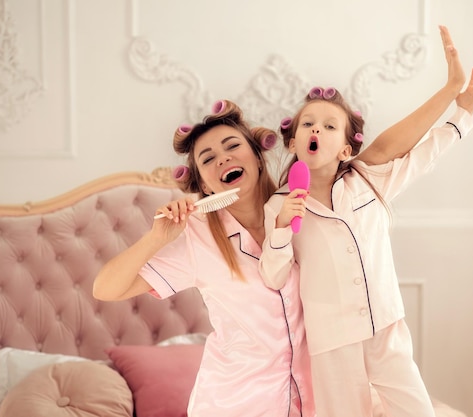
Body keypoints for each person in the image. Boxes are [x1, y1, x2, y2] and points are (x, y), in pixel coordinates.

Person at [258, 27, 473, 417]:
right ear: (294, 142)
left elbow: (422, 155)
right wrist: (281, 229)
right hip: (332, 340)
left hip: (386, 325)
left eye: (330, 126)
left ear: (346, 148)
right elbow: (272, 276)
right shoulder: (278, 205)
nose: (317, 129)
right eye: (308, 124)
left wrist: (462, 112)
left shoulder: (368, 181)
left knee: (418, 411)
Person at [92, 100, 315, 416]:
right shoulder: (196, 239)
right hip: (236, 403)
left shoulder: (303, 210)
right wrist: (156, 238)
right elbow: (105, 289)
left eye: (232, 146)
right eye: (208, 159)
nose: (223, 159)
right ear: (204, 185)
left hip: (317, 398)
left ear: (257, 157)